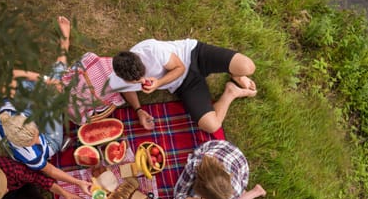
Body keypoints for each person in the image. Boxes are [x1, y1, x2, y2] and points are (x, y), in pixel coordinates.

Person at [0, 16, 91, 195]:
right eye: (34, 140)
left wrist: (47, 82)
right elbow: (51, 171)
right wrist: (78, 183)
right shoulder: (31, 156)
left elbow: (13, 74)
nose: (37, 134)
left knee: (47, 84)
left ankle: (56, 67)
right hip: (50, 141)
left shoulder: (7, 112)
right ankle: (64, 44)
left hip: (28, 106)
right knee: (55, 94)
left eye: (35, 131)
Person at [109, 38, 257, 132]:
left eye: (143, 75)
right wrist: (139, 110)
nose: (143, 81)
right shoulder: (118, 79)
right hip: (184, 84)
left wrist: (159, 83)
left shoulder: (153, 50)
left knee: (248, 66)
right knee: (212, 126)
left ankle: (236, 74)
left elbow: (180, 68)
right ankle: (231, 92)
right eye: (136, 82)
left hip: (193, 55)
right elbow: (127, 90)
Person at [172, 140, 265, 199]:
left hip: (239, 166)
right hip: (217, 147)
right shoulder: (195, 165)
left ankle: (255, 192)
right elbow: (179, 195)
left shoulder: (235, 190)